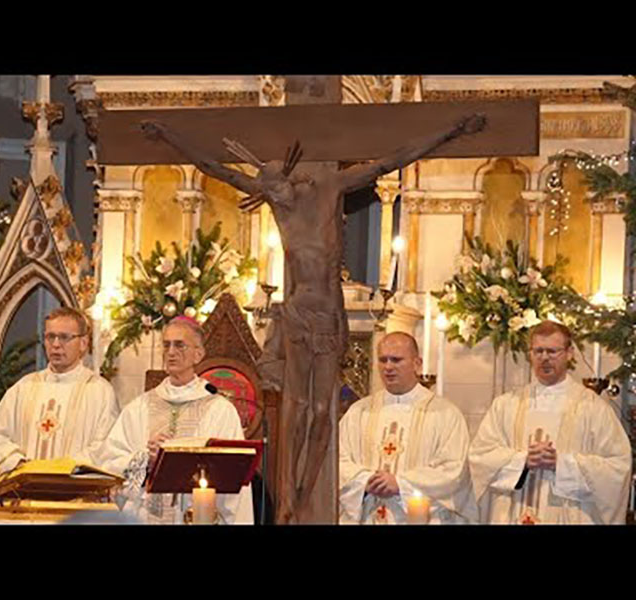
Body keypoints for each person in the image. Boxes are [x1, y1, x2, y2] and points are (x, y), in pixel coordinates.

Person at [142, 113, 486, 523]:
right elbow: (214, 167)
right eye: (267, 192)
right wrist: (168, 135)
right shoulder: (280, 208)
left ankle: (304, 490)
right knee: (294, 408)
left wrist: (450, 130)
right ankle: (289, 500)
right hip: (297, 315)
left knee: (321, 411)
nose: (276, 197)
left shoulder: (329, 189)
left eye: (278, 188)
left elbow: (391, 160)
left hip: (326, 319)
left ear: (291, 177)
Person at [469, 320, 632, 524]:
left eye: (552, 351)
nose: (544, 358)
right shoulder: (505, 405)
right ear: (530, 354)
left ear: (569, 353)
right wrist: (523, 461)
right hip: (514, 515)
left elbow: (617, 467)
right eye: (538, 351)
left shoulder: (594, 409)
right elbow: (479, 457)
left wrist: (561, 464)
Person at [101, 316, 253, 524]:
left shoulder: (220, 410)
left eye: (179, 345)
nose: (171, 352)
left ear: (198, 354)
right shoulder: (139, 408)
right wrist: (146, 459)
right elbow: (110, 461)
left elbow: (235, 480)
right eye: (166, 345)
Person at [339, 332, 477, 524]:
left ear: (417, 363)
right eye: (383, 360)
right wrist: (365, 481)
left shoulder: (445, 414)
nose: (388, 367)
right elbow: (338, 460)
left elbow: (454, 471)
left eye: (396, 360)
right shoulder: (358, 412)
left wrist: (400, 484)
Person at [0, 306, 118, 479]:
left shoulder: (100, 392)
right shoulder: (24, 388)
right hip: (26, 495)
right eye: (50, 337)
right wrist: (18, 464)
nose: (55, 344)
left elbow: (106, 445)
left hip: (75, 496)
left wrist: (63, 469)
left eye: (64, 337)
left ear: (83, 343)